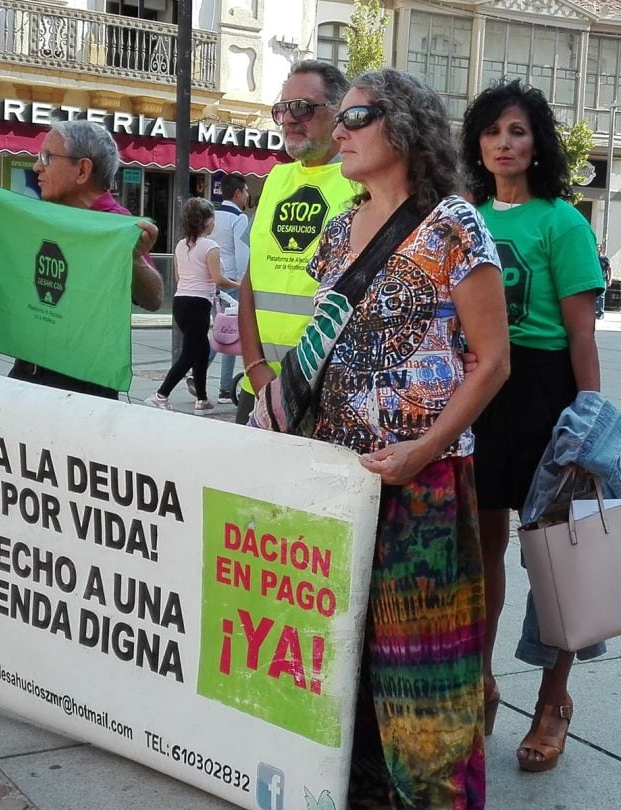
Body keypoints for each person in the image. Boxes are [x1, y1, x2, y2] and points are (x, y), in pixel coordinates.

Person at [291, 69, 509, 808]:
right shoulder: (336, 228)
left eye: (356, 117)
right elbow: (322, 349)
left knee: (424, 683)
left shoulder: (453, 224)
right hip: (339, 483)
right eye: (339, 119)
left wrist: (421, 449)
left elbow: (493, 360)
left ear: (405, 126)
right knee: (342, 670)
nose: (338, 131)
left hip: (425, 487)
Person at [461, 78, 606, 773]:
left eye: (517, 130)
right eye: (493, 131)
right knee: (483, 550)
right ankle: (481, 684)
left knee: (553, 558)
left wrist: (589, 425)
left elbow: (583, 338)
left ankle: (554, 701)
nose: (504, 142)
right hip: (482, 392)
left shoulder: (563, 222)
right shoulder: (466, 217)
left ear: (537, 142)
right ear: (477, 143)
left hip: (548, 393)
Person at [0, 119, 163, 399]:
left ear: (83, 169)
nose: (36, 167)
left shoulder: (116, 225)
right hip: (26, 375)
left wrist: (134, 259)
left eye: (47, 157)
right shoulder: (40, 215)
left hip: (84, 388)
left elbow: (153, 299)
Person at [236, 60, 356, 424]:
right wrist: (255, 368)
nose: (289, 118)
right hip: (258, 386)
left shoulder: (360, 180)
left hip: (329, 393)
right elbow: (250, 279)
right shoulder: (275, 178)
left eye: (302, 107)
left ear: (339, 112)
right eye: (282, 108)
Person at [145, 198, 238, 413]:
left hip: (181, 302)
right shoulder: (211, 246)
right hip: (198, 304)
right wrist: (239, 284)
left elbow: (179, 276)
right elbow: (218, 278)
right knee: (189, 354)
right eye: (212, 218)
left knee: (202, 350)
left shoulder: (180, 244)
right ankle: (161, 394)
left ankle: (202, 399)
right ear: (206, 221)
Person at [208, 172, 251, 403]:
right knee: (231, 335)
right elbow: (242, 252)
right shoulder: (239, 218)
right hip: (233, 279)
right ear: (237, 193)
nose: (247, 196)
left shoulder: (213, 215)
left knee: (220, 330)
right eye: (245, 191)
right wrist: (245, 281)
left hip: (214, 279)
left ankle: (199, 372)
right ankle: (225, 388)